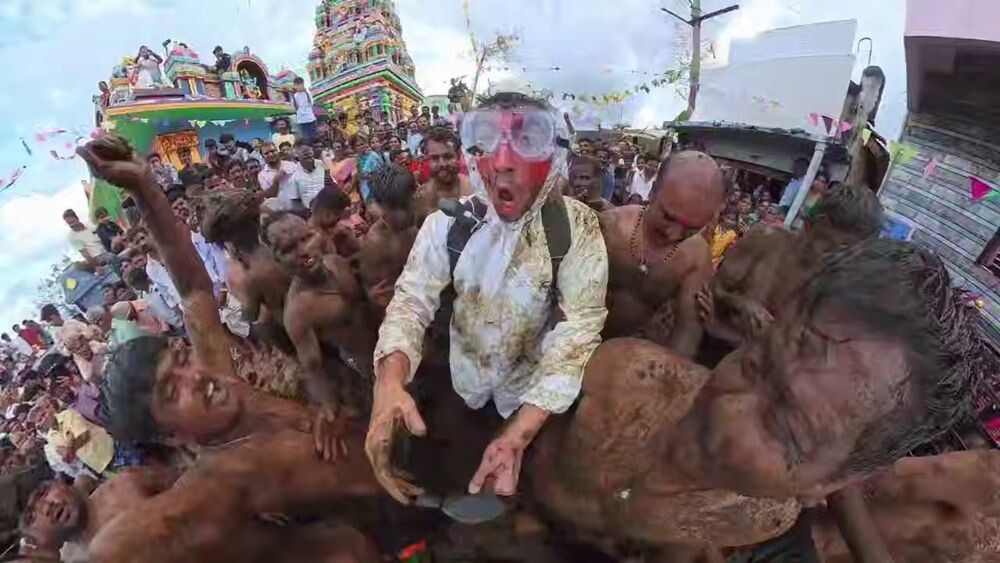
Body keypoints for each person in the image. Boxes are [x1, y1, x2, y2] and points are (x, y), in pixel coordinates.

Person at [77, 135, 382, 562]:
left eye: (182, 360)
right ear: (168, 433)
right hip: (399, 519)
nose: (197, 378)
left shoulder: (221, 376)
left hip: (402, 452)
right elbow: (114, 549)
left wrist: (144, 185)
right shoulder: (218, 481)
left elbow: (192, 289)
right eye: (172, 391)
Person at [367, 87, 609, 504]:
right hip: (466, 381)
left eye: (527, 140)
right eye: (489, 142)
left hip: (532, 393)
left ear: (554, 156)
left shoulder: (577, 228)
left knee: (528, 482)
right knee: (462, 454)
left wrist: (519, 435)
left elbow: (578, 332)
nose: (504, 164)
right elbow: (411, 303)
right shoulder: (447, 226)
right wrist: (388, 383)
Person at [706, 182, 883, 345]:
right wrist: (739, 303)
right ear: (819, 224)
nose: (844, 256)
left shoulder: (835, 286)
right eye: (841, 245)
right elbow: (712, 289)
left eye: (852, 252)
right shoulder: (764, 240)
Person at [600, 151, 724, 358]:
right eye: (668, 217)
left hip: (625, 356)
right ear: (654, 190)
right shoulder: (611, 227)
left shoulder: (695, 257)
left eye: (691, 228)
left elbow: (686, 334)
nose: (673, 234)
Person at [261, 211, 377, 416]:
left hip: (396, 341)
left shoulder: (334, 262)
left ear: (317, 234)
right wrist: (330, 410)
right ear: (278, 260)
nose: (303, 250)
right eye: (289, 249)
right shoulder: (299, 313)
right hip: (369, 373)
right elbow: (314, 370)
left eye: (306, 238)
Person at [19, 468, 179, 562]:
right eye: (31, 516)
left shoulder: (127, 484)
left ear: (59, 482)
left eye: (42, 494)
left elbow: (196, 483)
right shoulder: (82, 560)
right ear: (35, 538)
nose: (46, 508)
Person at [356, 164, 418, 316]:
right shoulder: (376, 244)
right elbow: (380, 298)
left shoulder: (423, 211)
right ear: (381, 205)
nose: (403, 214)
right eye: (395, 208)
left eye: (405, 205)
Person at [412, 127, 473, 224]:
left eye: (448, 157)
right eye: (435, 158)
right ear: (427, 159)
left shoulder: (474, 192)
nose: (442, 164)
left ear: (458, 156)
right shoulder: (421, 198)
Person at [257, 141, 299, 210]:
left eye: (273, 151)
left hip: (298, 203)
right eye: (266, 153)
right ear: (263, 157)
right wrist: (276, 181)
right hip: (280, 210)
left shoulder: (291, 165)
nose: (270, 154)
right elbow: (270, 196)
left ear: (277, 151)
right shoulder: (262, 175)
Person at [290, 143, 328, 209]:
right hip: (308, 210)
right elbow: (294, 200)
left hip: (327, 205)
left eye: (311, 156)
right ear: (298, 158)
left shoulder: (322, 164)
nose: (310, 160)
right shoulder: (294, 172)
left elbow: (330, 184)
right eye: (305, 157)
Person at [292, 77, 318, 142]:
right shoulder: (295, 95)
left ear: (303, 84)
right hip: (301, 119)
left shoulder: (308, 93)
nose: (298, 87)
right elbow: (295, 107)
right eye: (296, 85)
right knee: (305, 137)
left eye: (300, 84)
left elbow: (311, 103)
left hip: (310, 117)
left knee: (313, 136)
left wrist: (305, 92)